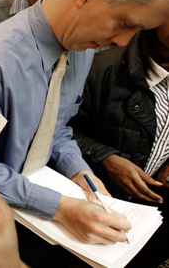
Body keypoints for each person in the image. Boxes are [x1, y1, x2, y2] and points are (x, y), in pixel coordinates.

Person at [0, 0, 169, 263]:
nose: (124, 41)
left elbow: (58, 126)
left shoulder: (82, 49)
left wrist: (80, 170)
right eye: (125, 23)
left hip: (41, 220)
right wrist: (60, 207)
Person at [70, 21, 169, 267]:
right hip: (96, 204)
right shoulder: (100, 69)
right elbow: (59, 132)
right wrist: (106, 158)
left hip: (155, 215)